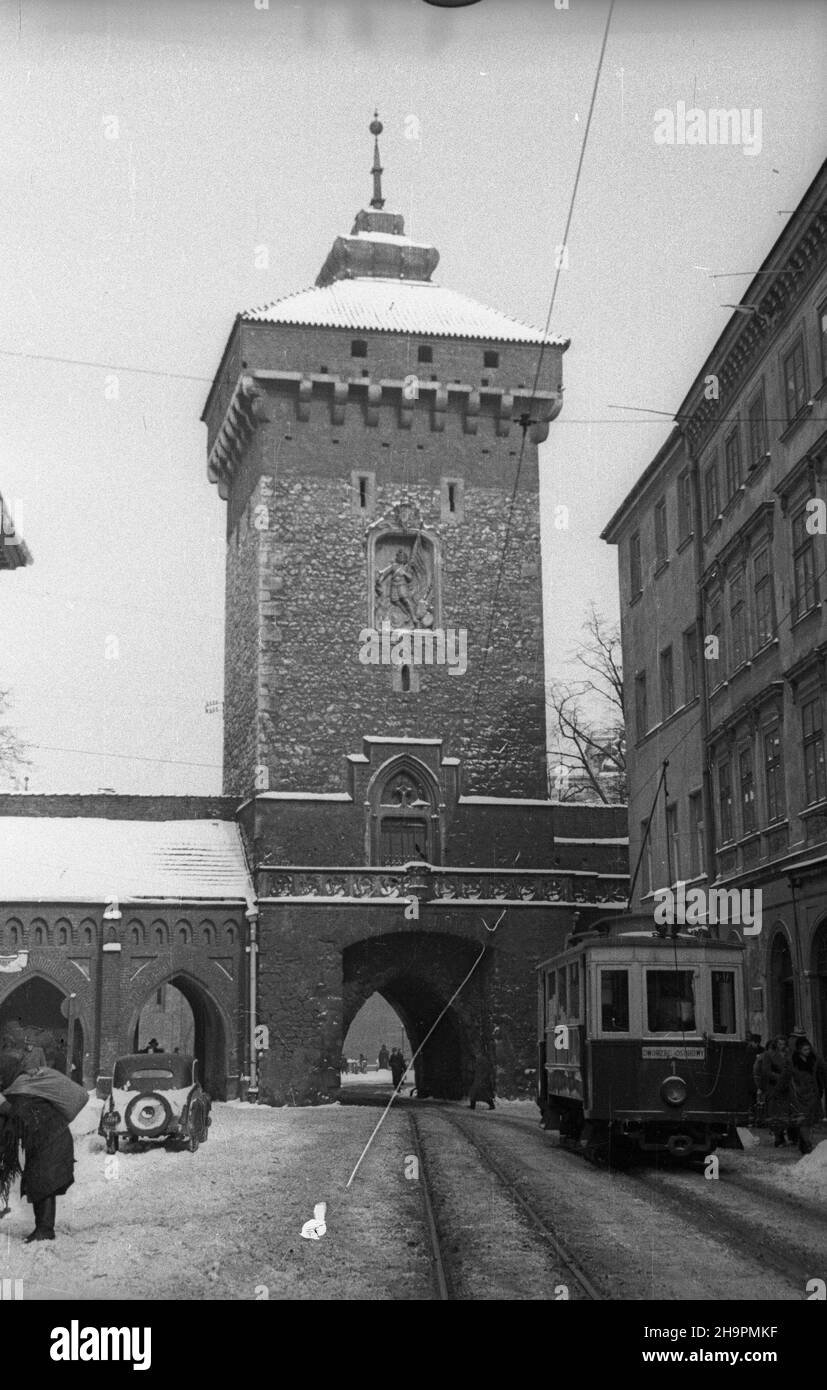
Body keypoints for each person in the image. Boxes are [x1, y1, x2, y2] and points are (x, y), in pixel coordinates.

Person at [0, 1050, 75, 1243]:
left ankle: (45, 1230)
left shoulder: (21, 1091)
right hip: (48, 1140)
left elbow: (16, 1117)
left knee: (44, 1183)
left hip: (53, 1140)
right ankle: (41, 1228)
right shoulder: (21, 1089)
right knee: (37, 1182)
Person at [756, 1036, 793, 1146]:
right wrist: (779, 1077)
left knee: (786, 1112)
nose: (782, 1046)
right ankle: (778, 1137)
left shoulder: (788, 1054)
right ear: (775, 1044)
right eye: (779, 1043)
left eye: (783, 1043)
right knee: (775, 1114)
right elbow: (766, 1071)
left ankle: (790, 1136)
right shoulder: (769, 1054)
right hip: (774, 1087)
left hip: (787, 1087)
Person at [790, 1042, 821, 1155]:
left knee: (810, 1121)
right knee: (804, 1121)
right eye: (805, 1050)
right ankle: (807, 1143)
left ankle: (806, 1143)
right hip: (801, 1095)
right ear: (799, 1051)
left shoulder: (813, 1060)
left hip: (812, 1094)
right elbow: (788, 1077)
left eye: (808, 1049)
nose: (807, 1052)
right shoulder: (794, 1062)